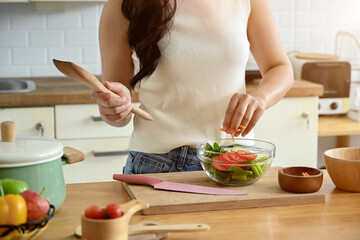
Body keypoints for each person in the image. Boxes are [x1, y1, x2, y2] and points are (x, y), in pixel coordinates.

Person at [92, 0, 294, 174]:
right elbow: (117, 101)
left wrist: (261, 97)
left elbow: (279, 67)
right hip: (159, 163)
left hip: (235, 158)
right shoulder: (122, 5)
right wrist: (114, 109)